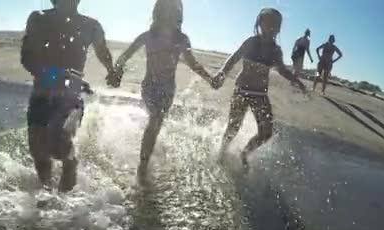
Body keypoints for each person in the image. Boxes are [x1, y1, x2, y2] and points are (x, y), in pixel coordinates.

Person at [110, 0, 214, 183]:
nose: (170, 14)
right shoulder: (148, 36)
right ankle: (142, 166)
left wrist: (210, 79)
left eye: (174, 11)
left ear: (178, 15)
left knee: (156, 122)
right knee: (155, 118)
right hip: (149, 85)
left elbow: (193, 63)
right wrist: (117, 70)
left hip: (168, 89)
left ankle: (147, 154)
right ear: (158, 12)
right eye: (166, 10)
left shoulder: (181, 39)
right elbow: (125, 55)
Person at [20, 0, 117, 192]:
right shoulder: (39, 18)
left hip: (71, 97)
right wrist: (57, 75)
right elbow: (27, 58)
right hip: (42, 93)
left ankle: (67, 200)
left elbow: (103, 51)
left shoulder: (91, 25)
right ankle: (46, 194)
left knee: (62, 148)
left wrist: (112, 71)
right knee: (38, 151)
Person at [213, 8, 306, 171]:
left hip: (260, 94)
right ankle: (221, 154)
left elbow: (282, 70)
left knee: (266, 132)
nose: (272, 26)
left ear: (279, 28)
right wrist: (222, 73)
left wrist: (297, 81)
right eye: (268, 22)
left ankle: (245, 153)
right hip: (241, 90)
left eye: (276, 24)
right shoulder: (251, 42)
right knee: (233, 127)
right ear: (259, 23)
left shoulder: (276, 50)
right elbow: (234, 58)